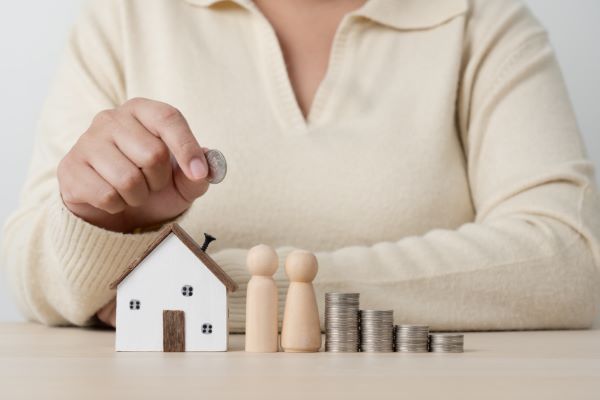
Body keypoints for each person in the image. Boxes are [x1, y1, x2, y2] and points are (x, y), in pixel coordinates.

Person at [1, 0, 599, 331]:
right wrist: (95, 221)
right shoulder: (125, 21)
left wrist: (224, 295)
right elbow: (36, 280)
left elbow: (569, 261)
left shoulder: (482, 25)